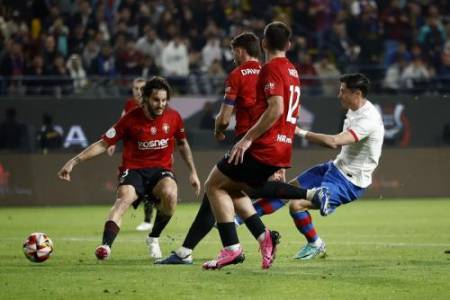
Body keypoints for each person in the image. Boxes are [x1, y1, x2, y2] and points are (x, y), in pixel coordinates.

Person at [57, 76, 201, 260]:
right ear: (146, 98)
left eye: (164, 100)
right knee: (123, 199)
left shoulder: (174, 117)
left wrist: (193, 172)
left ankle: (153, 237)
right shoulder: (130, 119)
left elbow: (182, 143)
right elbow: (103, 144)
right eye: (156, 100)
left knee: (171, 194)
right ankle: (105, 246)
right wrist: (73, 162)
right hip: (134, 170)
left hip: (160, 170)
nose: (161, 104)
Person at [244, 73, 384, 260]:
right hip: (335, 168)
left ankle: (316, 243)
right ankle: (240, 218)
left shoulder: (369, 119)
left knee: (296, 204)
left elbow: (334, 141)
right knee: (288, 189)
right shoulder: (354, 110)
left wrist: (300, 132)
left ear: (357, 93)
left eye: (343, 91)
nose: (339, 95)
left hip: (349, 182)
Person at [155, 31, 264, 265]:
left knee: (216, 188)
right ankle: (186, 250)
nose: (232, 55)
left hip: (244, 145)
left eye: (234, 50)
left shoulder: (237, 74)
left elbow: (224, 118)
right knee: (221, 192)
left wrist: (218, 129)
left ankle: (243, 244)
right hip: (267, 143)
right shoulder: (268, 74)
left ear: (242, 50)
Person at [202, 21, 302, 270]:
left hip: (254, 143)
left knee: (214, 186)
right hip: (280, 143)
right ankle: (263, 236)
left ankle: (231, 248)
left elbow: (230, 117)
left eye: (234, 50)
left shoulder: (254, 72)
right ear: (288, 45)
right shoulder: (292, 71)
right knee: (235, 190)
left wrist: (237, 136)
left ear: (264, 44)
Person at [107, 77, 157, 232]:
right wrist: (112, 141)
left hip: (150, 153)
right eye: (136, 88)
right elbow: (120, 123)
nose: (138, 91)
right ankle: (120, 212)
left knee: (150, 185)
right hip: (132, 153)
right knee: (130, 184)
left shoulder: (153, 104)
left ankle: (148, 219)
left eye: (142, 88)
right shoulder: (129, 104)